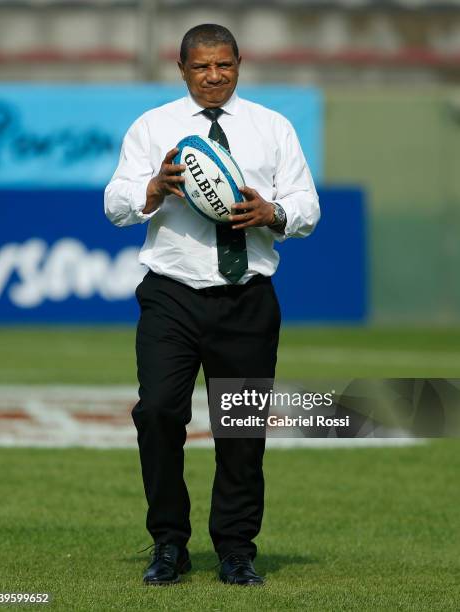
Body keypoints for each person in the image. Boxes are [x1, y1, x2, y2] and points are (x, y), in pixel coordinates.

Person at [104, 23, 320, 586]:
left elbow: (307, 205)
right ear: (181, 69)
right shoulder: (154, 127)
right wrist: (150, 191)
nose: (213, 76)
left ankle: (236, 549)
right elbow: (115, 202)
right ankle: (169, 544)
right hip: (171, 296)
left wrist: (273, 213)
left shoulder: (272, 128)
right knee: (157, 414)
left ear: (239, 64)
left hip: (246, 299)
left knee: (241, 429)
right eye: (201, 67)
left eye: (223, 64)